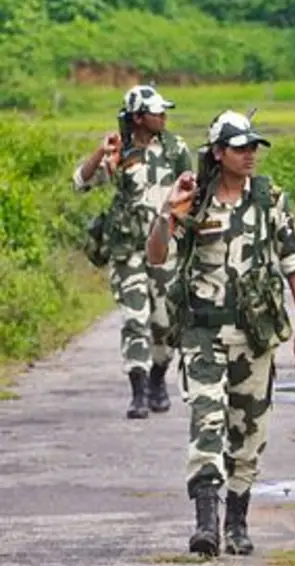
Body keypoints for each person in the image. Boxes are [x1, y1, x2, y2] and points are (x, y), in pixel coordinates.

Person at [144, 110, 295, 557]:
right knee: (207, 422)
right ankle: (206, 526)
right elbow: (157, 255)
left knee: (249, 432)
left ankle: (237, 522)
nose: (249, 155)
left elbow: (292, 260)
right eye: (240, 148)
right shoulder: (194, 200)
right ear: (218, 153)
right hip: (203, 334)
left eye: (253, 147)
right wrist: (168, 212)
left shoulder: (269, 199)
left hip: (254, 336)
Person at [72, 84, 193, 419]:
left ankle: (157, 378)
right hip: (128, 249)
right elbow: (81, 183)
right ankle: (138, 392)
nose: (163, 117)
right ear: (139, 118)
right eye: (157, 112)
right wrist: (100, 153)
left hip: (165, 248)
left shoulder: (175, 148)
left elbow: (192, 190)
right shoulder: (120, 151)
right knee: (134, 318)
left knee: (164, 321)